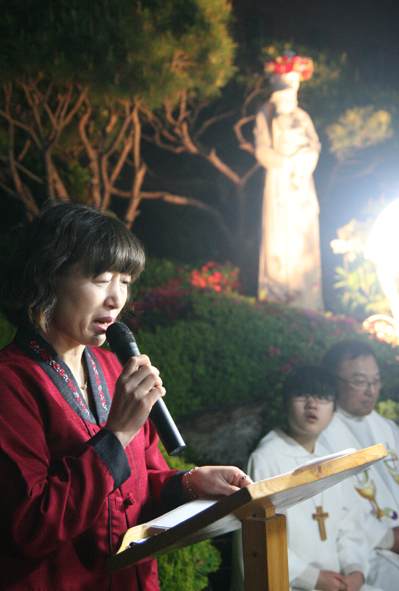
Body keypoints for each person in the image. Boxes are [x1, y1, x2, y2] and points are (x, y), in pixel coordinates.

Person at [0, 203, 252, 591]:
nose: (116, 299)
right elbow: (28, 526)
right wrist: (116, 436)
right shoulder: (4, 386)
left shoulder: (113, 369)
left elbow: (142, 485)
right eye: (101, 279)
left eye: (124, 281)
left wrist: (190, 483)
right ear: (49, 277)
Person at [232, 366, 382, 591]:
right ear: (284, 405)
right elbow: (255, 539)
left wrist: (355, 570)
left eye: (322, 397)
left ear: (333, 410)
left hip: (338, 583)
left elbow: (350, 524)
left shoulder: (333, 459)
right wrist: (313, 578)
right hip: (288, 583)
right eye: (302, 395)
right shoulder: (266, 459)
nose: (312, 404)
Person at [318, 340, 399, 589]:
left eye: (376, 381)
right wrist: (388, 538)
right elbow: (339, 509)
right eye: (360, 382)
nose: (371, 391)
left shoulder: (387, 427)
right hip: (368, 552)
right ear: (334, 382)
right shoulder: (321, 436)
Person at [254, 52, 323, 312]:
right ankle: (278, 295)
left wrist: (305, 162)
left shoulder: (302, 116)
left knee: (303, 233)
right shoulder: (267, 113)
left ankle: (307, 298)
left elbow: (315, 145)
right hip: (280, 180)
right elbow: (262, 149)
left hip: (302, 180)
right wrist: (286, 162)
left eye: (294, 84)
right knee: (279, 233)